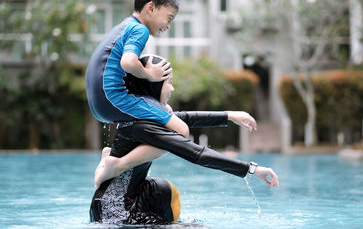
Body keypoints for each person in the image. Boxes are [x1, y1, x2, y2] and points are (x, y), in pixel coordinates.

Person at [90, 56, 279, 225]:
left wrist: (229, 115)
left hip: (126, 200)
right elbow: (196, 153)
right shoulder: (142, 126)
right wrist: (251, 169)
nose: (172, 88)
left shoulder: (142, 116)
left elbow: (185, 117)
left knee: (162, 190)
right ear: (153, 87)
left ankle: (110, 166)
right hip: (112, 213)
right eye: (168, 82)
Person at [85, 0, 189, 139]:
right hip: (113, 98)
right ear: (151, 8)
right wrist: (149, 73)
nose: (168, 26)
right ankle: (117, 164)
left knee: (153, 120)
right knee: (181, 131)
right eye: (169, 18)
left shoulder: (125, 25)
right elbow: (128, 62)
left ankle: (114, 158)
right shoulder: (140, 30)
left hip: (98, 102)